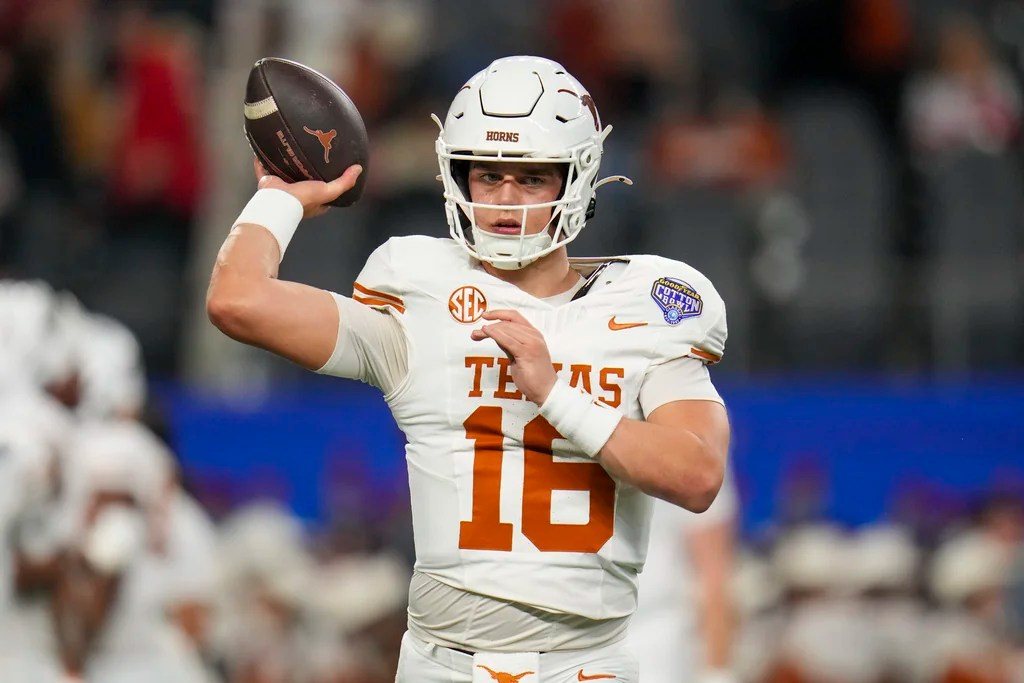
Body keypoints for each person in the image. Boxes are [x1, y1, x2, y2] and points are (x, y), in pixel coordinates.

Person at [207, 55, 731, 683]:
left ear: (579, 177)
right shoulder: (419, 299)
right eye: (487, 175)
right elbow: (236, 301)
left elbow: (698, 475)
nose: (505, 200)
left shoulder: (646, 304)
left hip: (583, 667)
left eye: (532, 178)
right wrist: (279, 198)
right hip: (441, 663)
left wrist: (558, 394)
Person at [628, 472, 739, 683]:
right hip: (570, 638)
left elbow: (712, 571)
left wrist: (717, 671)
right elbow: (713, 572)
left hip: (652, 639)